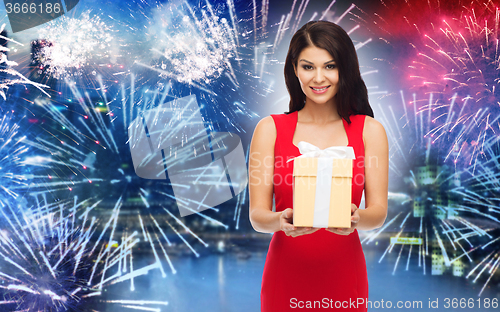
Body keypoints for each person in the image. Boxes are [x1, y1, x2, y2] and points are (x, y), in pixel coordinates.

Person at [248, 21, 389, 311]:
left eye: (330, 66)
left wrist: (356, 217)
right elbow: (257, 216)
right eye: (308, 67)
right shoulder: (269, 129)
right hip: (284, 278)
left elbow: (378, 213)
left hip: (344, 277)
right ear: (294, 69)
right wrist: (281, 221)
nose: (319, 77)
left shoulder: (370, 130)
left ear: (344, 69)